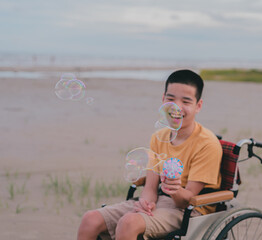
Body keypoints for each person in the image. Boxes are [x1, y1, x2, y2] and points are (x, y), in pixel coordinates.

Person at [77, 69, 223, 240]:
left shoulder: (207, 144)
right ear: (163, 100)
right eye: (170, 99)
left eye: (186, 101)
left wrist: (174, 190)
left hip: (189, 210)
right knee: (90, 219)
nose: (176, 107)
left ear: (198, 106)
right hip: (160, 200)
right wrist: (146, 202)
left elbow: (188, 200)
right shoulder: (158, 137)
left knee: (128, 223)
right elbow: (150, 188)